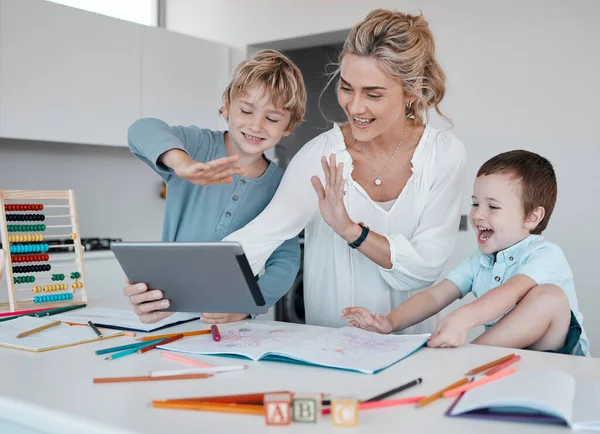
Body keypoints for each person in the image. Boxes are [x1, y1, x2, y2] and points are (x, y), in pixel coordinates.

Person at [223, 9, 466, 332]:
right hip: (330, 351)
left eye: (373, 94)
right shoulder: (319, 156)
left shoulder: (444, 155)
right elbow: (257, 240)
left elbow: (423, 268)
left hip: (414, 352)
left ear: (412, 91)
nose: (354, 106)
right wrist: (170, 288)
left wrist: (351, 231)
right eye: (347, 87)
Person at [343, 150, 589, 356]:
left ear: (532, 217)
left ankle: (470, 357)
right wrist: (389, 323)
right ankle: (470, 360)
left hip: (559, 359)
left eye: (492, 206)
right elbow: (435, 297)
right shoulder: (480, 261)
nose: (478, 215)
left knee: (550, 297)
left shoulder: (546, 255)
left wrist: (463, 318)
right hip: (511, 362)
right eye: (474, 203)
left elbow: (509, 293)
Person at [123, 49, 307, 324]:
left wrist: (246, 306)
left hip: (231, 320)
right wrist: (182, 163)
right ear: (225, 106)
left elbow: (286, 261)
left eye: (272, 118)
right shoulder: (196, 146)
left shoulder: (282, 185)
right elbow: (141, 129)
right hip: (167, 310)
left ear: (288, 126)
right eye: (246, 110)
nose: (256, 125)